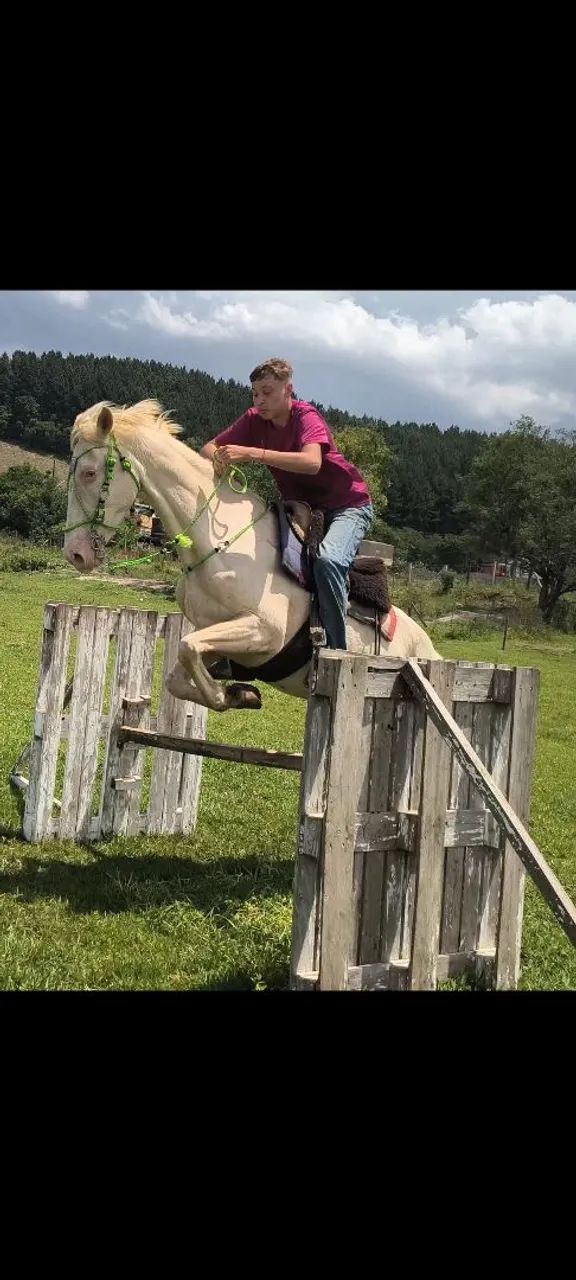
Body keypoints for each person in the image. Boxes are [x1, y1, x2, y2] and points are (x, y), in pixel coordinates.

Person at [200, 358, 373, 649]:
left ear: (288, 390)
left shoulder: (306, 415)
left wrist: (252, 453)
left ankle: (337, 653)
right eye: (255, 393)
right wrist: (221, 460)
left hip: (348, 505)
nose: (259, 400)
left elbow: (311, 462)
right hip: (301, 507)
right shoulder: (254, 419)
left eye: (267, 392)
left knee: (328, 561)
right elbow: (208, 449)